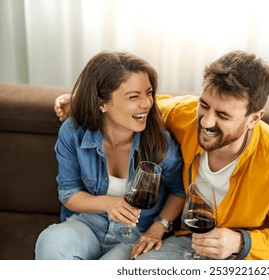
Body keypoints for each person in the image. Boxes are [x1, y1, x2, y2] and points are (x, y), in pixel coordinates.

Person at [54, 50, 269, 260]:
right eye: (204, 105)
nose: (206, 122)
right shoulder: (183, 114)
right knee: (141, 266)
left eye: (223, 115)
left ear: (254, 118)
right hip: (186, 241)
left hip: (247, 255)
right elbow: (134, 107)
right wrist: (79, 100)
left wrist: (238, 241)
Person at [36, 51, 185, 260]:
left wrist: (157, 228)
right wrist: (108, 203)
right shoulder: (73, 132)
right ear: (102, 103)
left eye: (149, 93)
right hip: (86, 224)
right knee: (52, 241)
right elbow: (69, 194)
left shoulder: (160, 142)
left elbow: (180, 192)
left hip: (135, 234)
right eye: (133, 96)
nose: (147, 103)